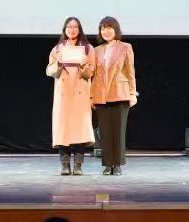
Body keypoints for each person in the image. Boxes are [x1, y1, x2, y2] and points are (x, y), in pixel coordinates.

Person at [46, 17, 96, 176]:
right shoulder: (58, 49)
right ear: (64, 29)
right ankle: (65, 164)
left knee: (80, 129)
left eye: (75, 27)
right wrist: (58, 63)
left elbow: (90, 73)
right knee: (63, 129)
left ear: (79, 29)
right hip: (63, 94)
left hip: (80, 94)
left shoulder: (88, 49)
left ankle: (78, 165)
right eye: (69, 27)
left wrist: (83, 64)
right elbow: (49, 71)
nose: (72, 30)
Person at [90, 16, 138, 176]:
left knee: (118, 131)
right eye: (103, 28)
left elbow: (130, 72)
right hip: (101, 95)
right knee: (104, 132)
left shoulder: (125, 47)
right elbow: (94, 75)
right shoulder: (96, 50)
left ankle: (117, 164)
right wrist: (91, 96)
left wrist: (132, 93)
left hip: (120, 93)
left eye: (109, 28)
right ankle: (107, 164)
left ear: (115, 30)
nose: (106, 31)